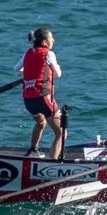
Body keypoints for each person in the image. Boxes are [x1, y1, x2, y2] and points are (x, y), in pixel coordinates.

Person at [15, 27, 64, 159]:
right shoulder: (49, 53)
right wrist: (54, 68)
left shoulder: (27, 53)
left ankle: (33, 150)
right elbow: (58, 74)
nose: (53, 40)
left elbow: (16, 68)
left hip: (28, 100)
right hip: (43, 97)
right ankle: (52, 165)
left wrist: (31, 70)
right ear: (44, 42)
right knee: (61, 132)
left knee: (41, 122)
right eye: (51, 38)